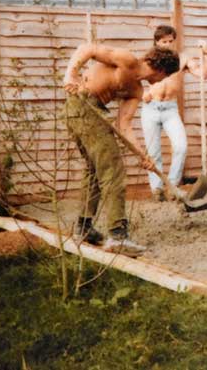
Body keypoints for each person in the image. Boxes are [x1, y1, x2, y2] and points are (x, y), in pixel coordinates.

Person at [63, 41, 179, 256]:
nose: (162, 82)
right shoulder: (127, 60)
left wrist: (143, 156)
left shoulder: (136, 90)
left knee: (94, 170)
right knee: (113, 171)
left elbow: (123, 126)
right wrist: (71, 74)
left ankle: (83, 228)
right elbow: (87, 48)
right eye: (166, 77)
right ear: (162, 70)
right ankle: (117, 236)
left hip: (87, 111)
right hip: (82, 103)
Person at [140, 25, 207, 201]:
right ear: (157, 42)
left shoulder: (182, 58)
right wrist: (142, 93)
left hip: (170, 109)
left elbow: (202, 74)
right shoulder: (149, 59)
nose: (168, 45)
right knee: (153, 152)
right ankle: (157, 190)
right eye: (164, 42)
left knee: (181, 147)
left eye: (171, 41)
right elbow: (133, 78)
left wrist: (206, 54)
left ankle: (172, 186)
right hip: (150, 108)